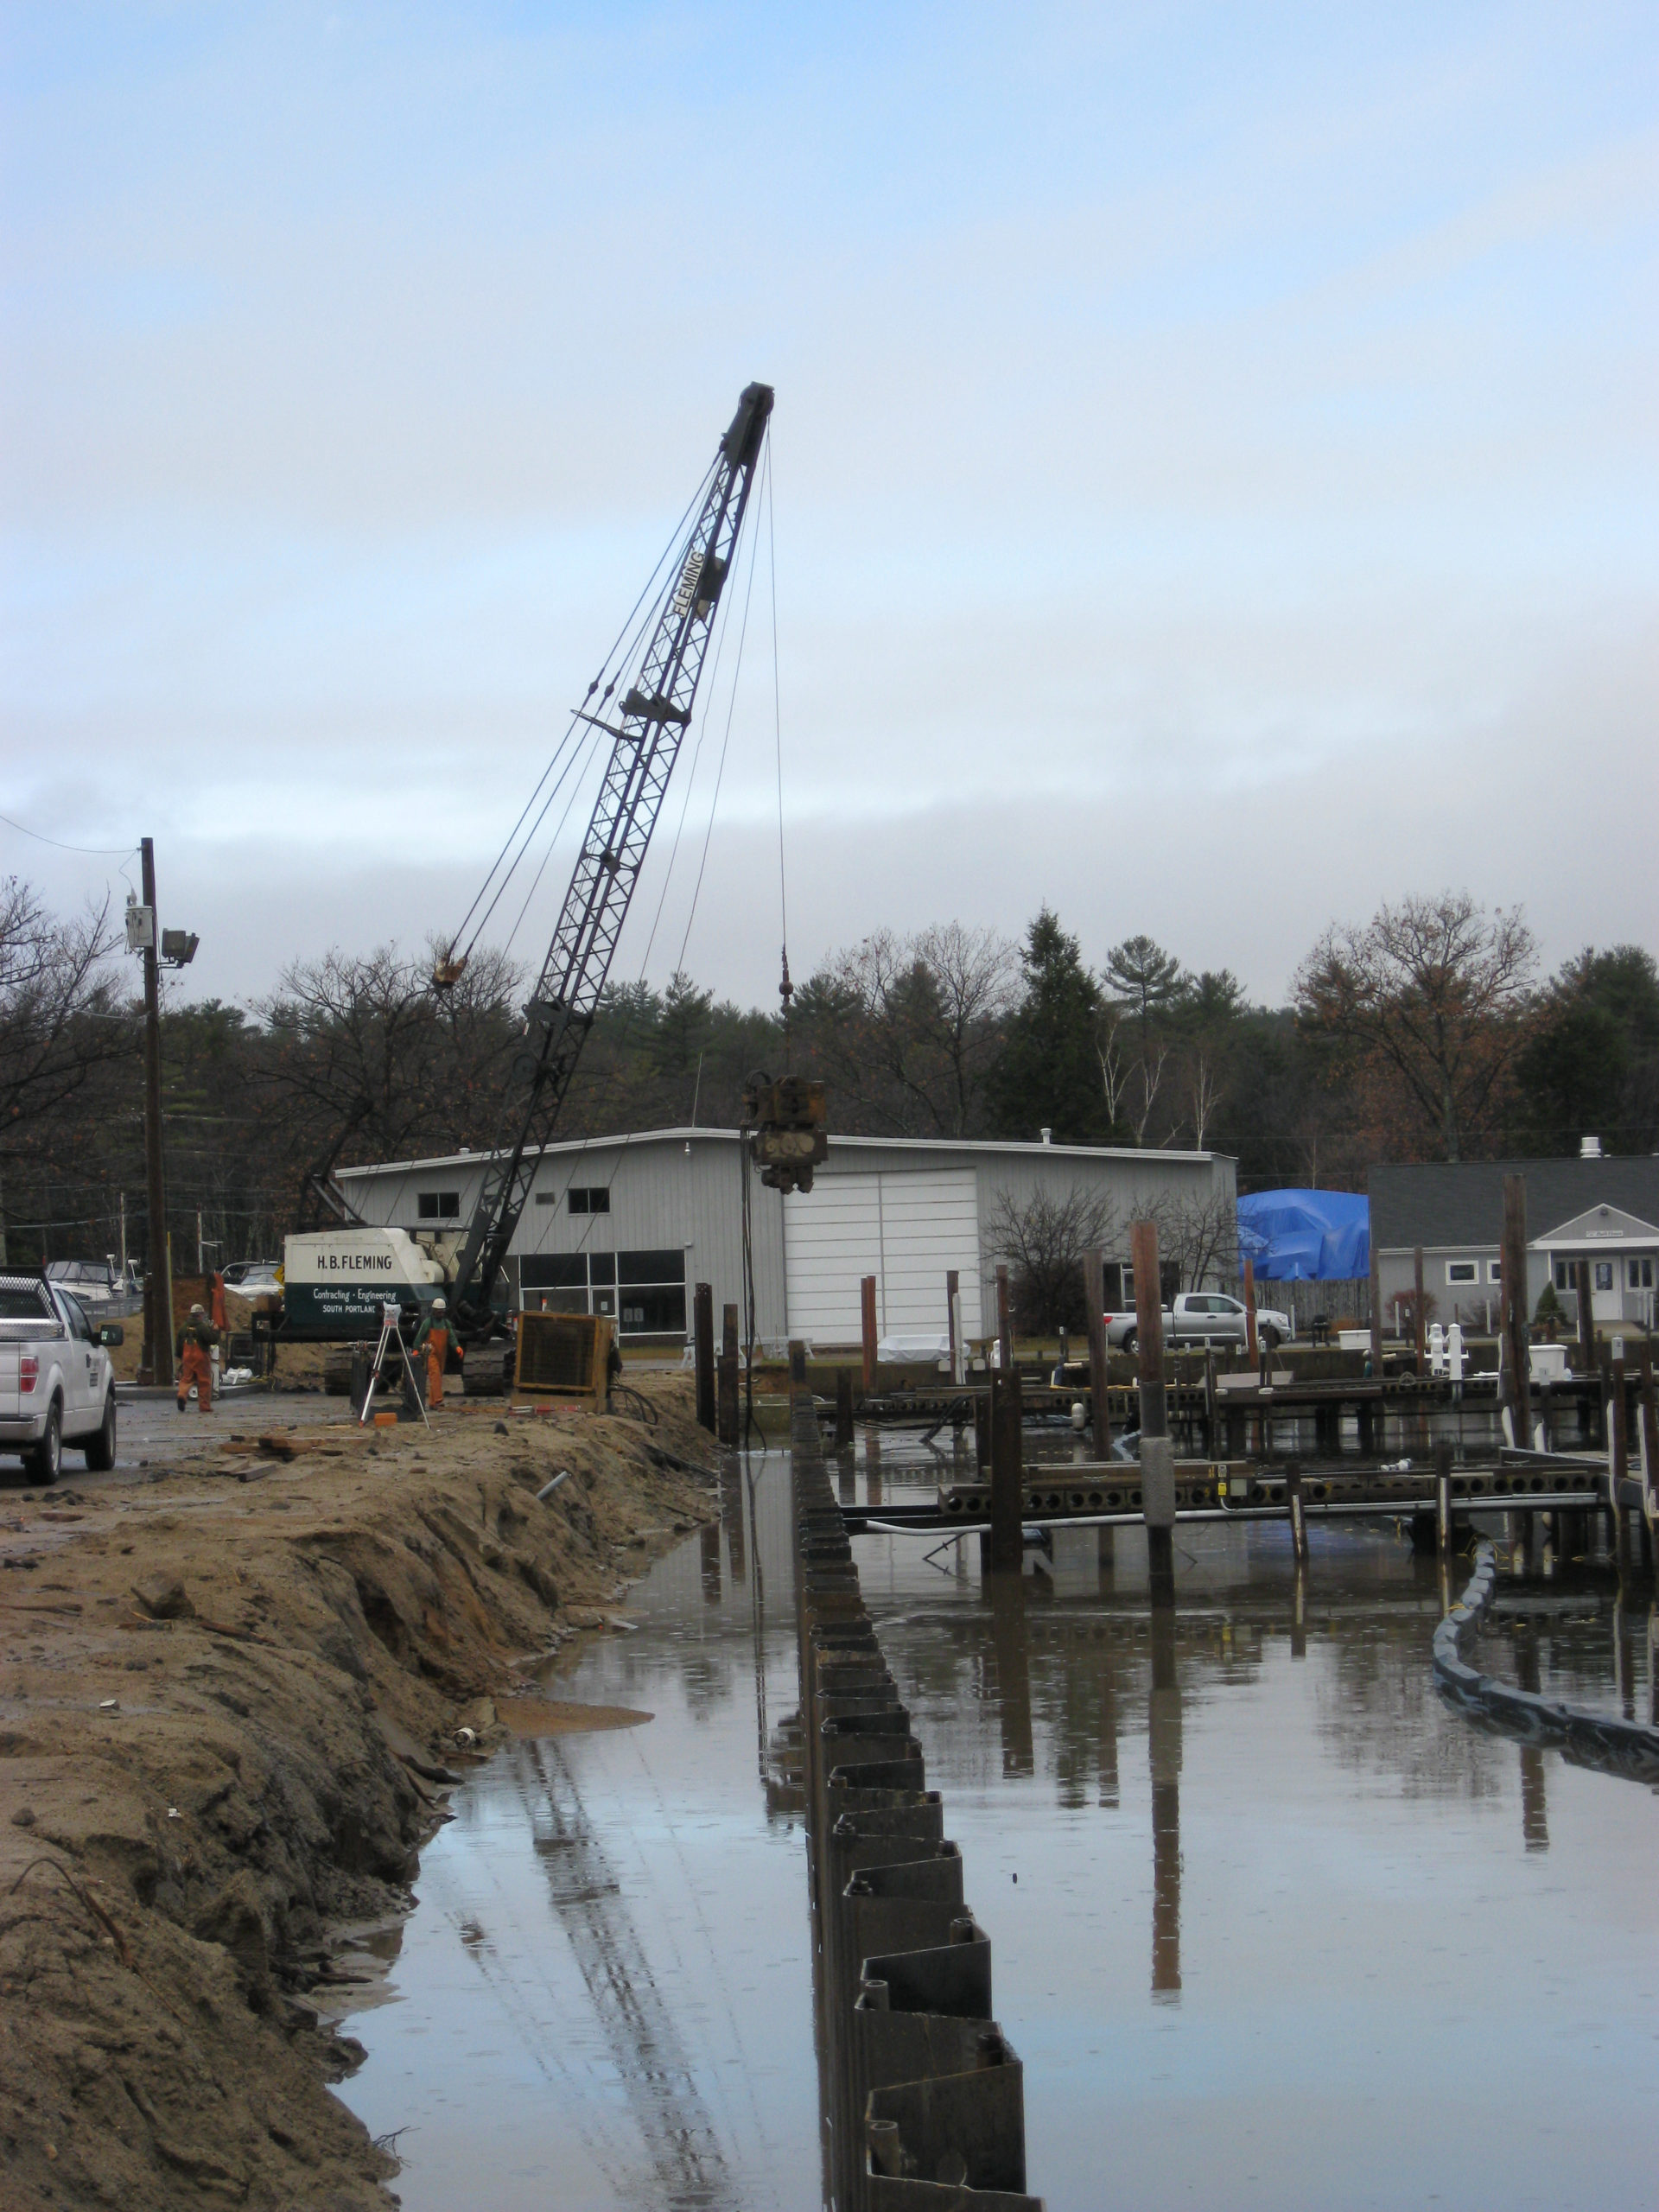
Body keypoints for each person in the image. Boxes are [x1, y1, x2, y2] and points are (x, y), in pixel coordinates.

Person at [175, 1301, 220, 1414]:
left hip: (187, 1357)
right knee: (204, 1381)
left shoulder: (183, 1327)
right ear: (200, 1315)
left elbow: (179, 1344)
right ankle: (204, 1406)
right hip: (201, 1358)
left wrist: (180, 1356)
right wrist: (215, 1331)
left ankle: (181, 1395)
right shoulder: (202, 1327)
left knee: (186, 1379)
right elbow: (212, 1340)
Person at [414, 1296, 456, 1411]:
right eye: (439, 1312)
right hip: (431, 1353)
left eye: (442, 1312)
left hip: (442, 1354)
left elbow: (451, 1337)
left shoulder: (446, 1323)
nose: (441, 1314)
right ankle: (438, 1400)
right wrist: (416, 1349)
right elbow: (420, 1336)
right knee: (435, 1375)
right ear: (434, 1311)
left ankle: (432, 1403)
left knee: (437, 1378)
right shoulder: (428, 1323)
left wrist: (457, 1347)